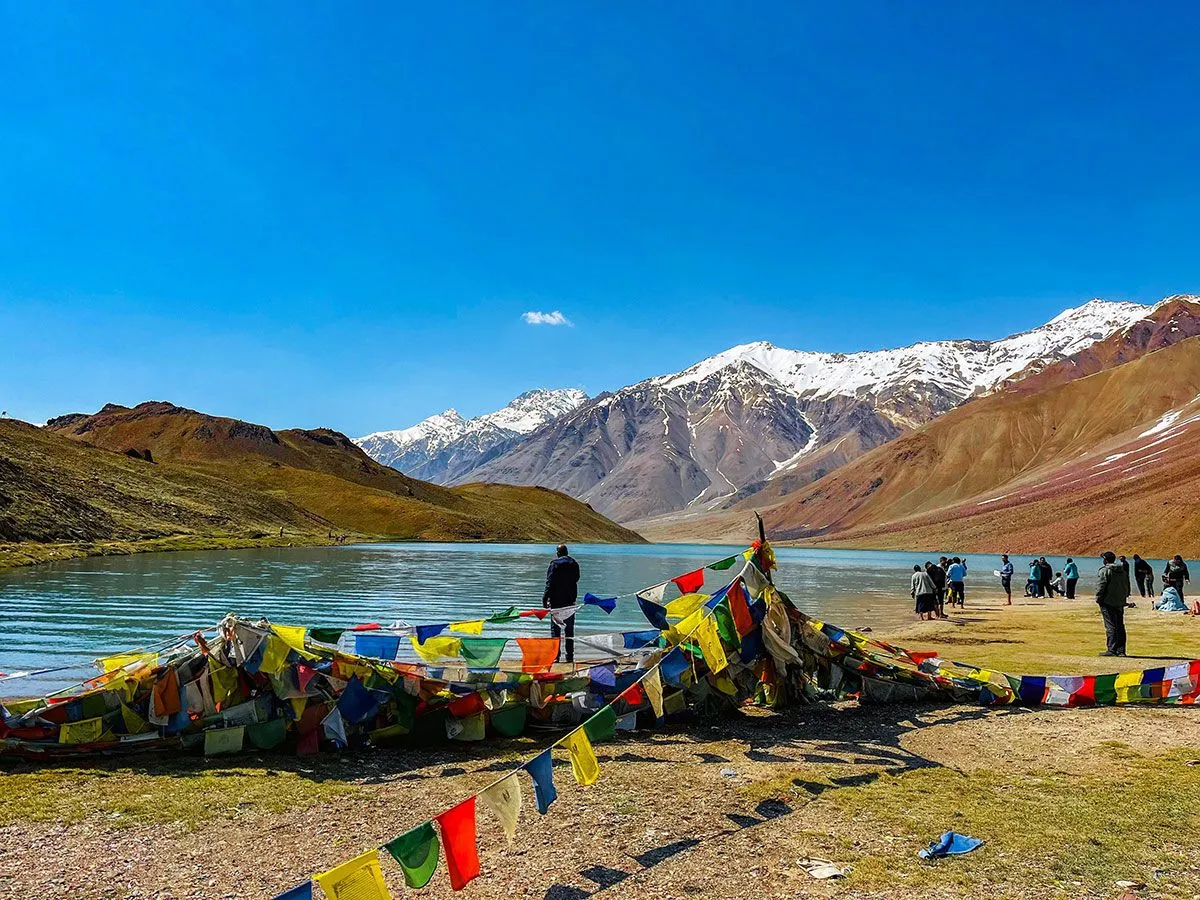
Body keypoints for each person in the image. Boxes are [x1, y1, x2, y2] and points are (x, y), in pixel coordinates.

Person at [542, 544, 581, 663]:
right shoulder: (574, 563)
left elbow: (549, 582)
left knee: (555, 630)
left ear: (558, 553)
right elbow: (577, 579)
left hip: (556, 601)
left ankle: (556, 657)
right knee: (569, 630)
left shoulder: (554, 564)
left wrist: (545, 598)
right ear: (567, 552)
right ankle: (570, 657)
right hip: (570, 601)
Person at [1095, 551, 1128, 657]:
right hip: (1119, 601)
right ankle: (1121, 650)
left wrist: (1098, 598)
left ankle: (1112, 649)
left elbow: (1101, 585)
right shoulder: (1122, 571)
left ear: (1105, 560)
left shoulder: (1105, 571)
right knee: (1120, 626)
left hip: (1107, 601)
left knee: (1111, 626)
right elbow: (1127, 586)